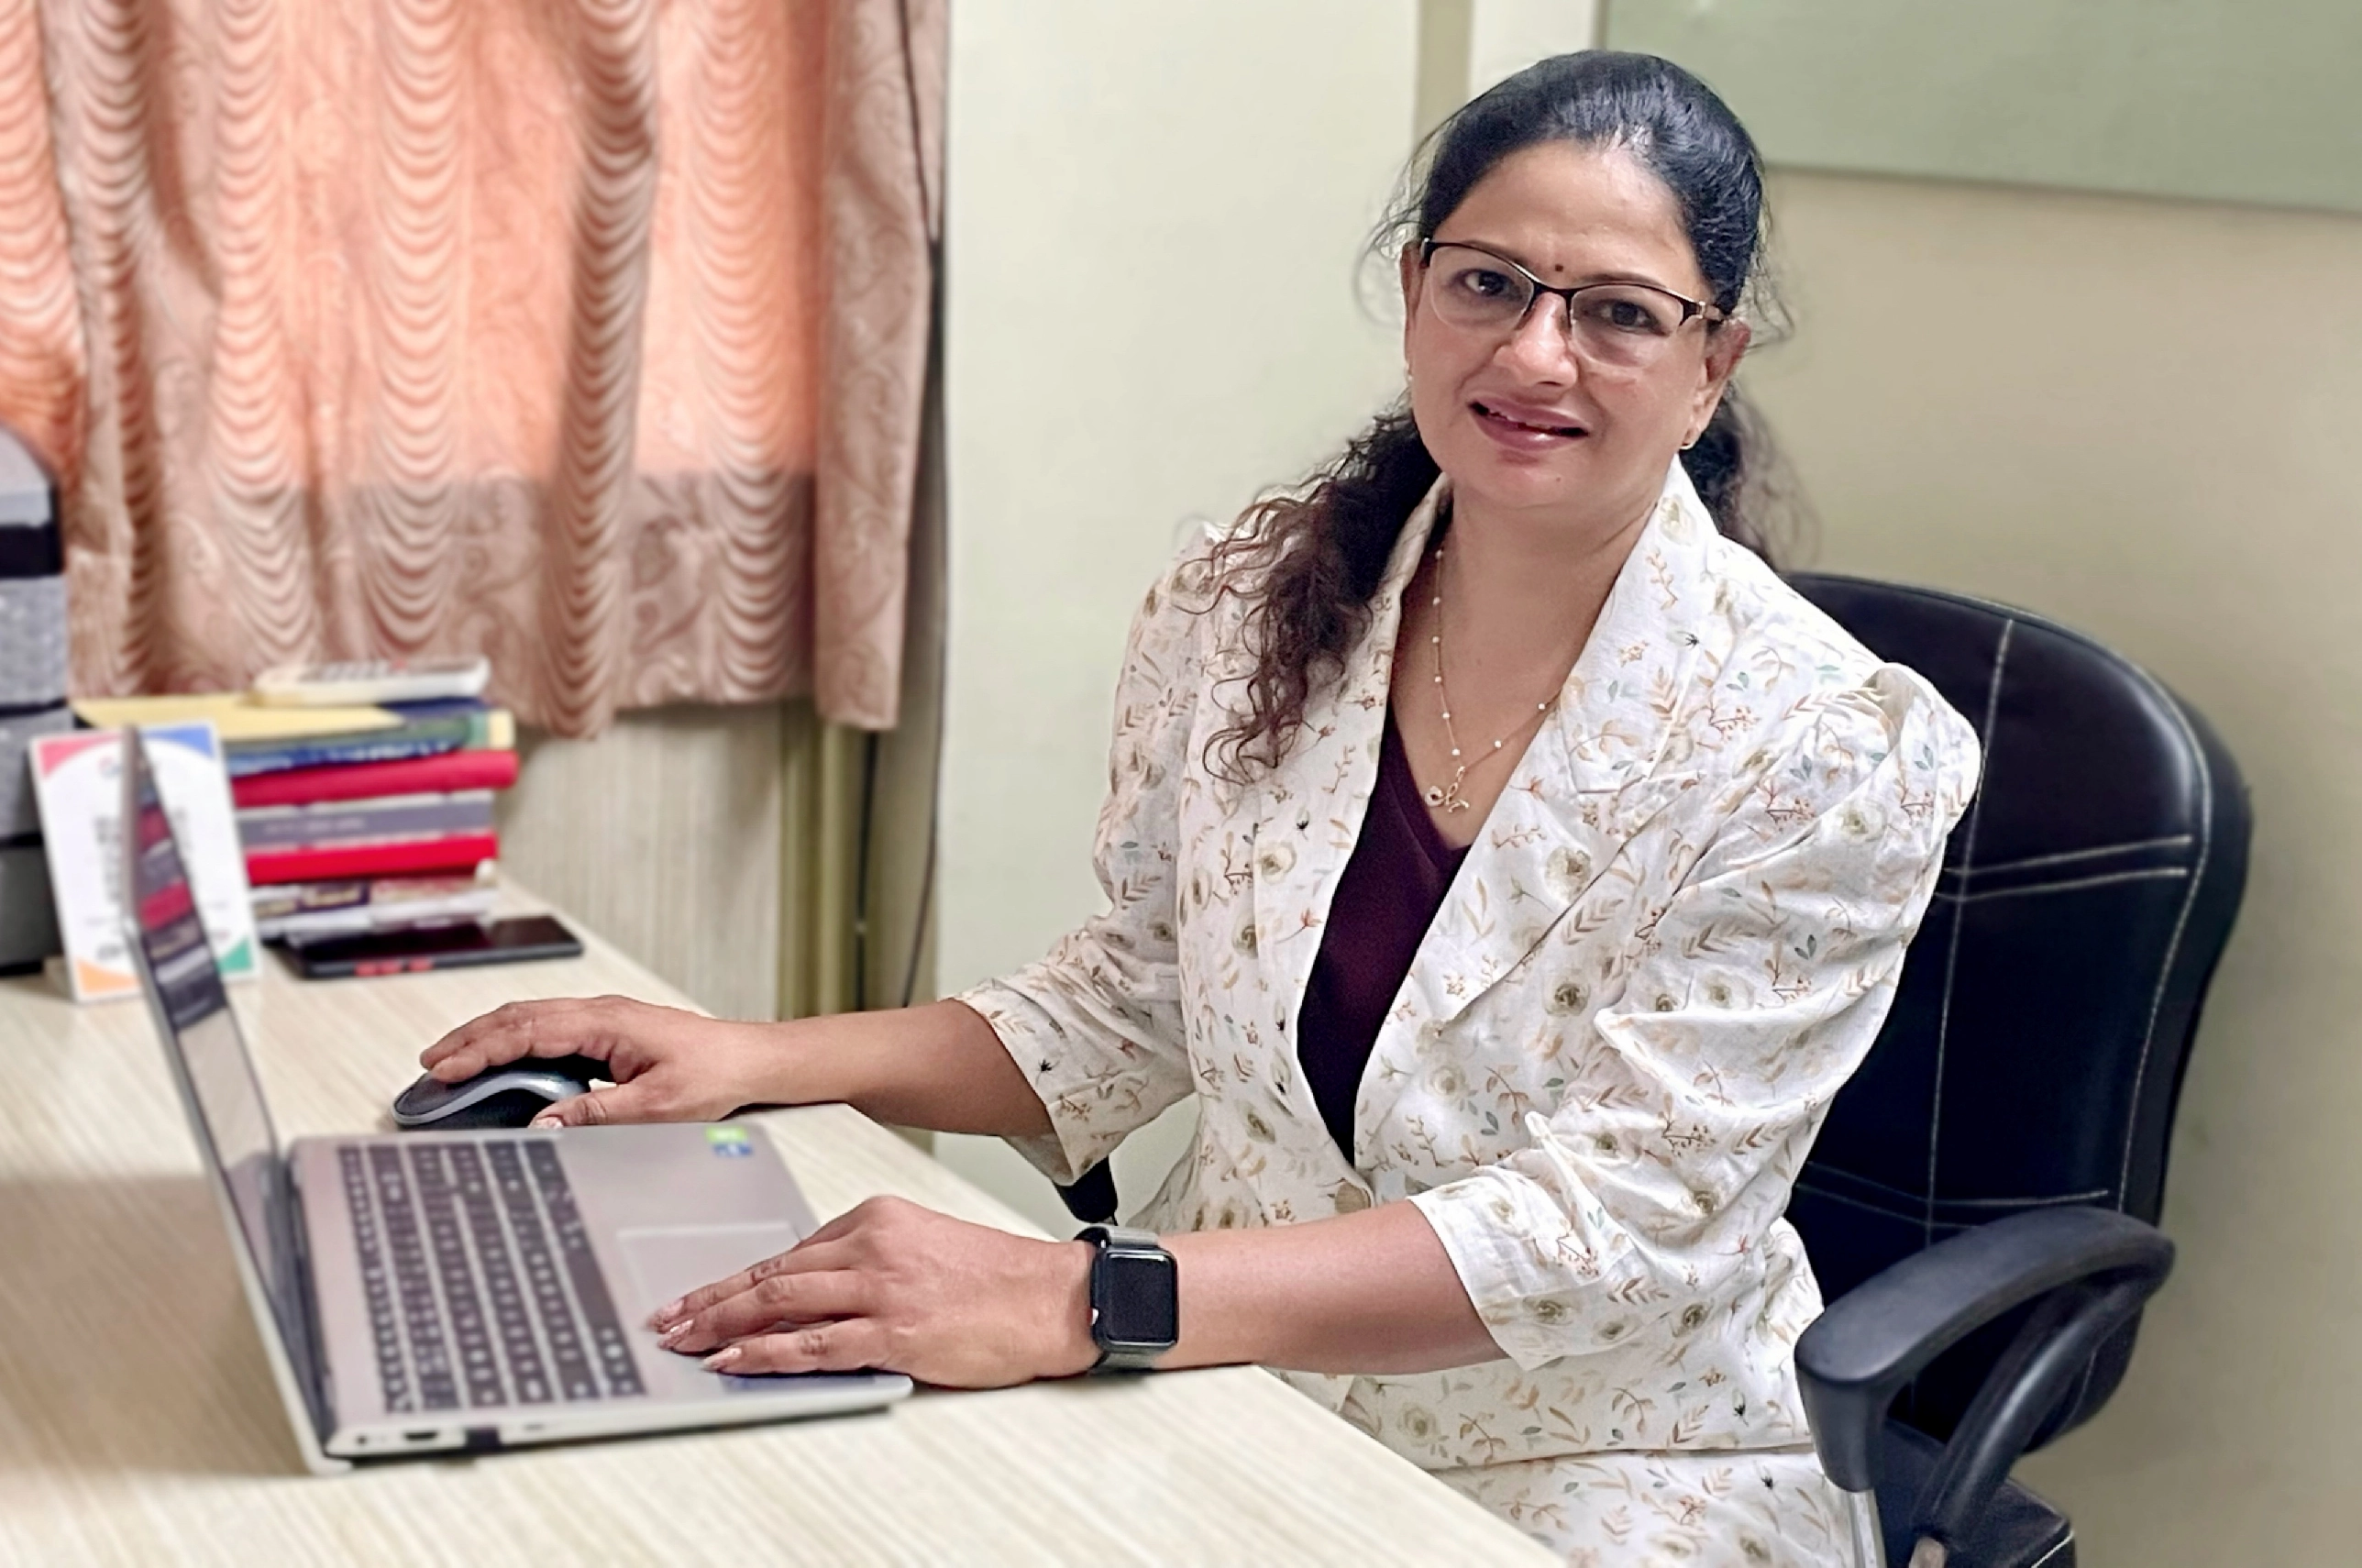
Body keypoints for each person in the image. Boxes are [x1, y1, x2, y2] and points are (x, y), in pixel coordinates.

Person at [424, 51, 1980, 1565]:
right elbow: (1134, 994)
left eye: (1621, 314)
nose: (1532, 355)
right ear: (1418, 288)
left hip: (1593, 1450)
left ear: (1715, 366)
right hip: (1233, 1368)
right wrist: (752, 1055)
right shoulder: (1245, 611)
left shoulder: (1829, 749)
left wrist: (1075, 1296)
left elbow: (1610, 1232)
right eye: (1487, 282)